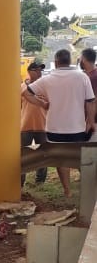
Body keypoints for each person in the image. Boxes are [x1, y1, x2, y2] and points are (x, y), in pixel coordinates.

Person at [23, 48, 96, 196]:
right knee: (81, 157)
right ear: (69, 61)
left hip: (54, 128)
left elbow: (26, 93)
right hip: (77, 127)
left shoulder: (47, 79)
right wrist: (90, 121)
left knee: (61, 159)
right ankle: (89, 188)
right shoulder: (82, 77)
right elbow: (90, 101)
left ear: (56, 62)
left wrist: (43, 104)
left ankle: (67, 190)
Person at [20, 59, 48, 187]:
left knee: (43, 154)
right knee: (23, 155)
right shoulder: (22, 87)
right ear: (29, 72)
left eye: (40, 70)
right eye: (36, 70)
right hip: (25, 126)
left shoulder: (45, 87)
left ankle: (40, 180)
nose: (39, 72)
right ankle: (20, 180)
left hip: (42, 125)